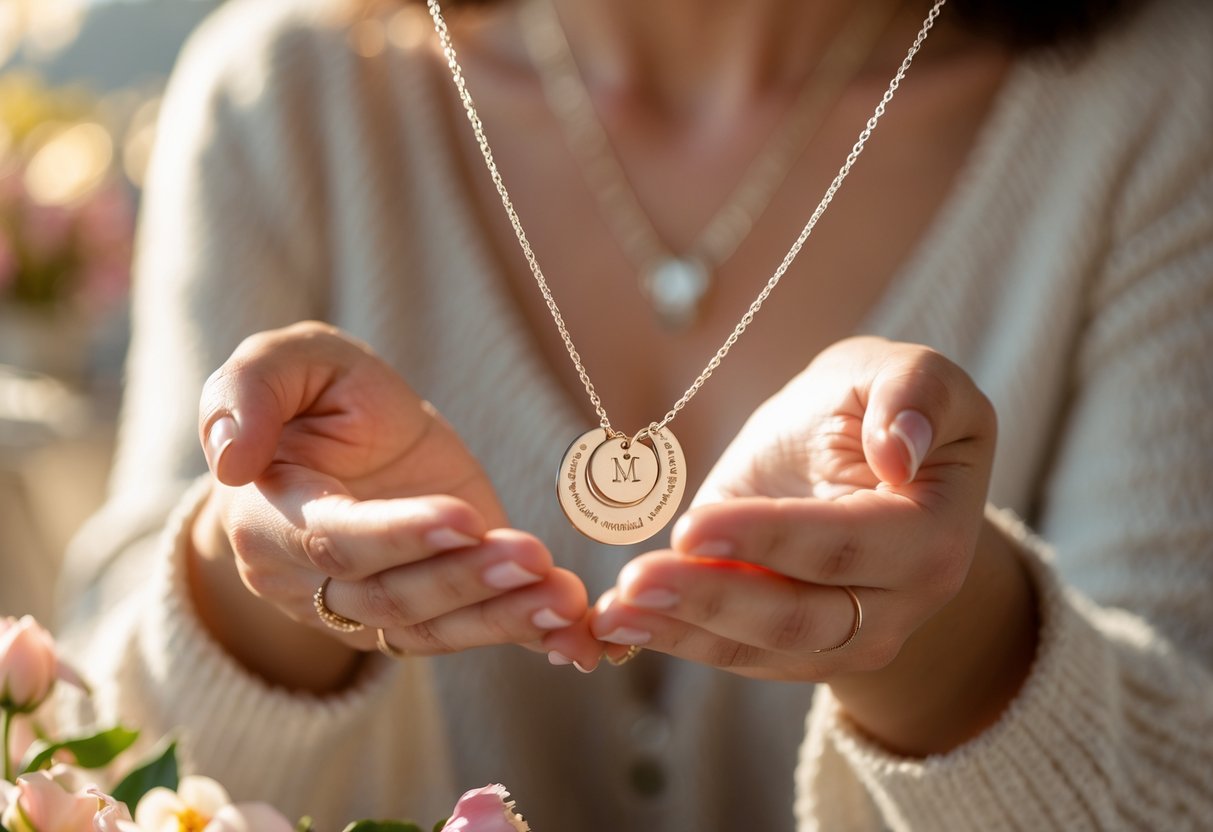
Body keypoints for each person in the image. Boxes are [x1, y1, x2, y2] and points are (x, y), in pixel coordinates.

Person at [57, 0, 1213, 828]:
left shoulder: (1161, 101)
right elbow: (99, 762)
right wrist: (256, 587)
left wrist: (958, 644)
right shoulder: (285, 100)